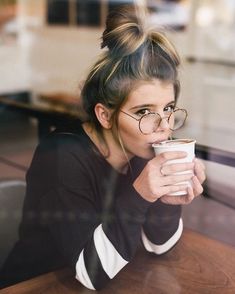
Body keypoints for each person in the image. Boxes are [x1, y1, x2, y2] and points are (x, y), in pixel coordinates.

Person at [0, 4, 206, 291]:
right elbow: (90, 272)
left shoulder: (142, 149)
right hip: (36, 285)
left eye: (169, 108)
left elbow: (159, 246)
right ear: (105, 115)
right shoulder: (63, 157)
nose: (164, 126)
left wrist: (167, 200)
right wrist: (141, 193)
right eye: (145, 111)